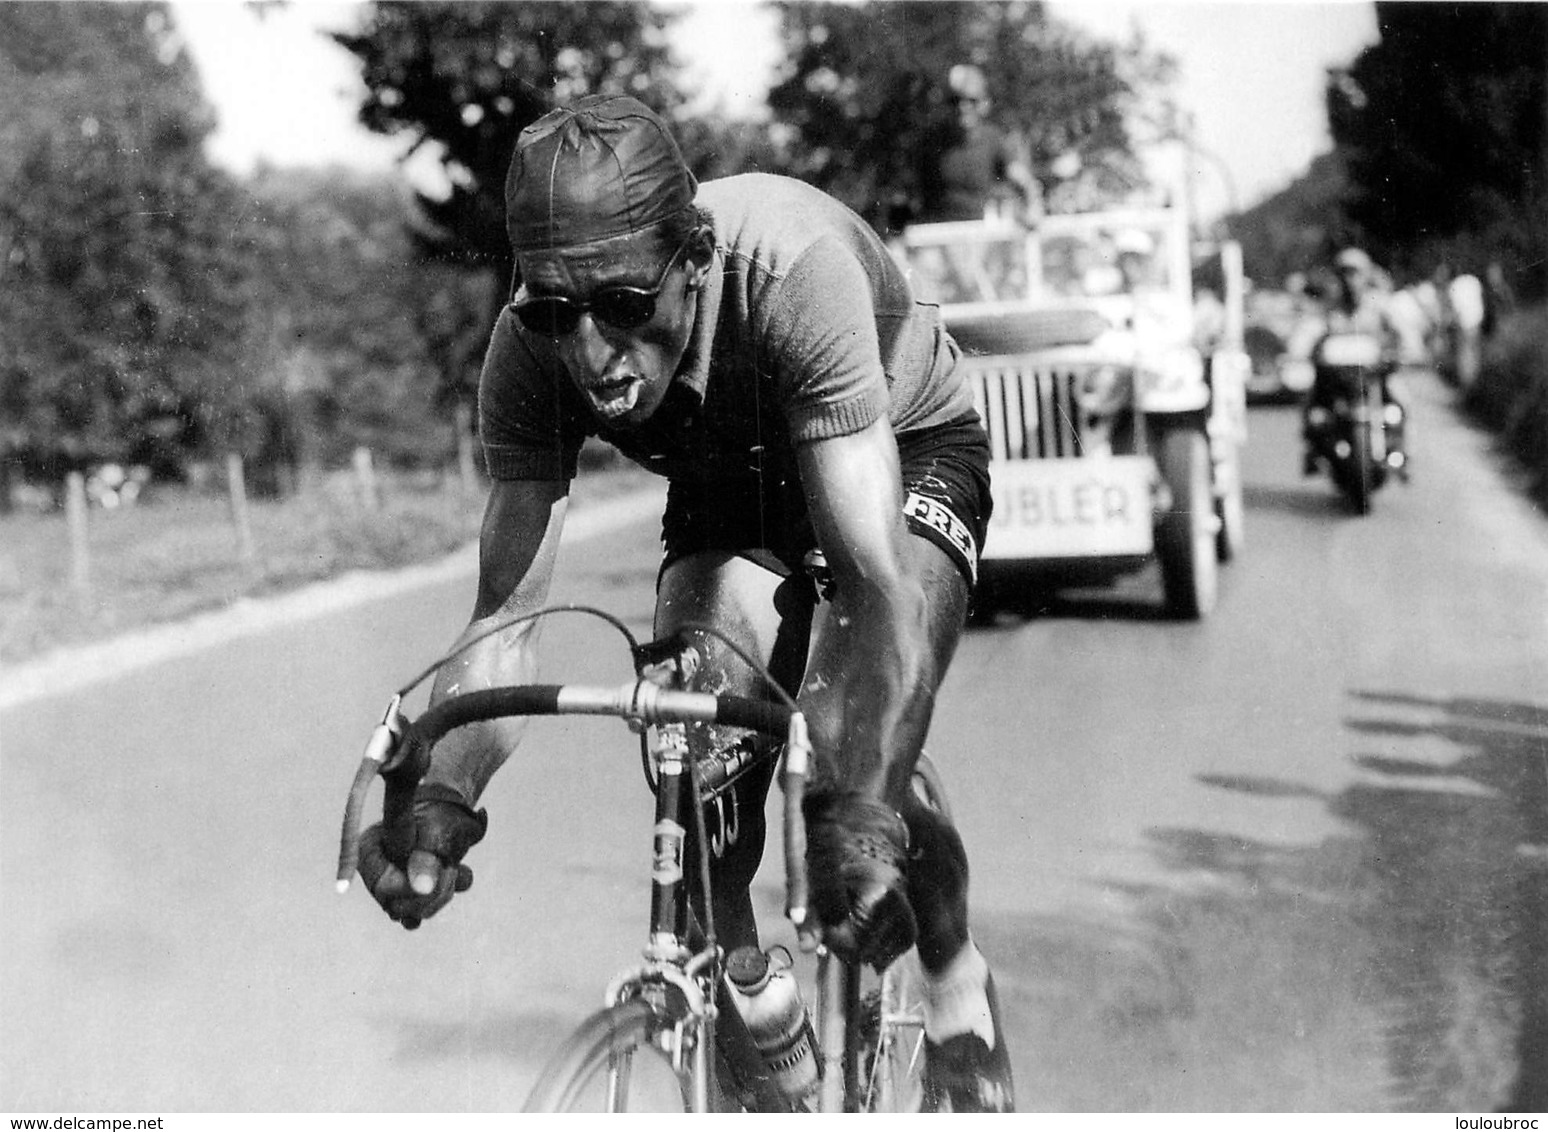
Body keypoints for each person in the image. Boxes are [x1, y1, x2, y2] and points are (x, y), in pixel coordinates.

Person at [353, 94, 1014, 1112]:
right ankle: (756, 1015)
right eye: (553, 312)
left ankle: (959, 981)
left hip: (897, 449)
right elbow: (508, 615)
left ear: (695, 260)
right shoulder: (530, 351)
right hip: (735, 477)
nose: (589, 351)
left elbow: (878, 589)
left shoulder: (792, 272)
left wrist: (862, 806)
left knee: (849, 764)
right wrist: (443, 794)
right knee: (696, 744)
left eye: (623, 304)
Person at [1302, 247, 1408, 475]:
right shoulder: (1330, 307)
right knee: (1312, 404)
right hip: (1337, 375)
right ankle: (1313, 453)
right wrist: (1305, 349)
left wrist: (1402, 349)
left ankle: (1402, 452)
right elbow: (1310, 331)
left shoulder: (1379, 304)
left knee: (1402, 401)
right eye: (1344, 273)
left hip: (1373, 372)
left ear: (1367, 275)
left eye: (1356, 273)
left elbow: (1400, 331)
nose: (1350, 280)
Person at [922, 64, 1041, 226]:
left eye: (971, 101)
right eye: (955, 101)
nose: (963, 107)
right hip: (941, 235)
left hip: (982, 236)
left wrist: (1032, 209)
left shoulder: (993, 138)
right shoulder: (932, 142)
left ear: (985, 103)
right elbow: (906, 194)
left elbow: (1022, 180)